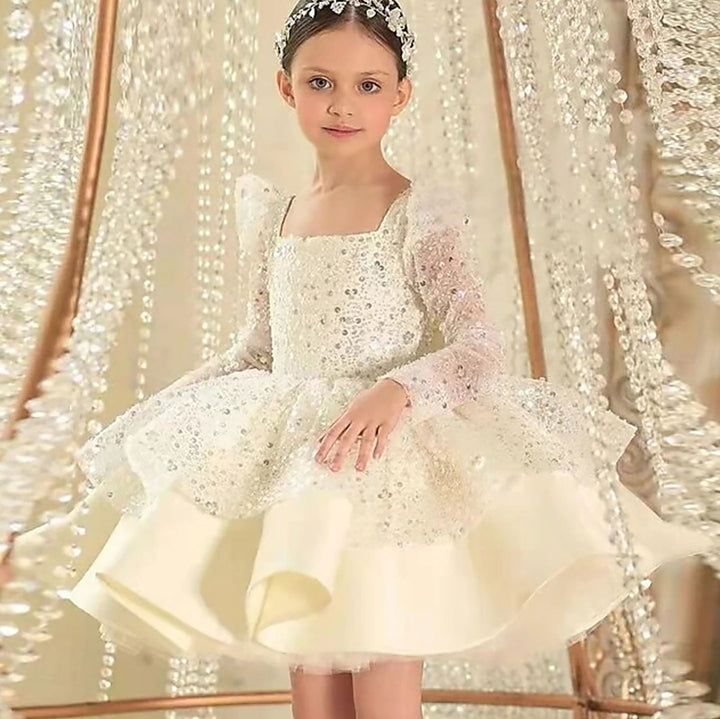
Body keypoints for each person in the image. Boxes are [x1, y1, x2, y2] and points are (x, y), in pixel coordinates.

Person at [13, 1, 712, 718]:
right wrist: (163, 417)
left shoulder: (415, 212)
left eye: (368, 85)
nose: (342, 104)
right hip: (301, 468)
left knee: (380, 677)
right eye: (320, 82)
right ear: (286, 87)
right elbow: (258, 348)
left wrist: (398, 390)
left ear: (400, 95)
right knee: (313, 687)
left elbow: (479, 346)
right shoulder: (275, 217)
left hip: (383, 467)